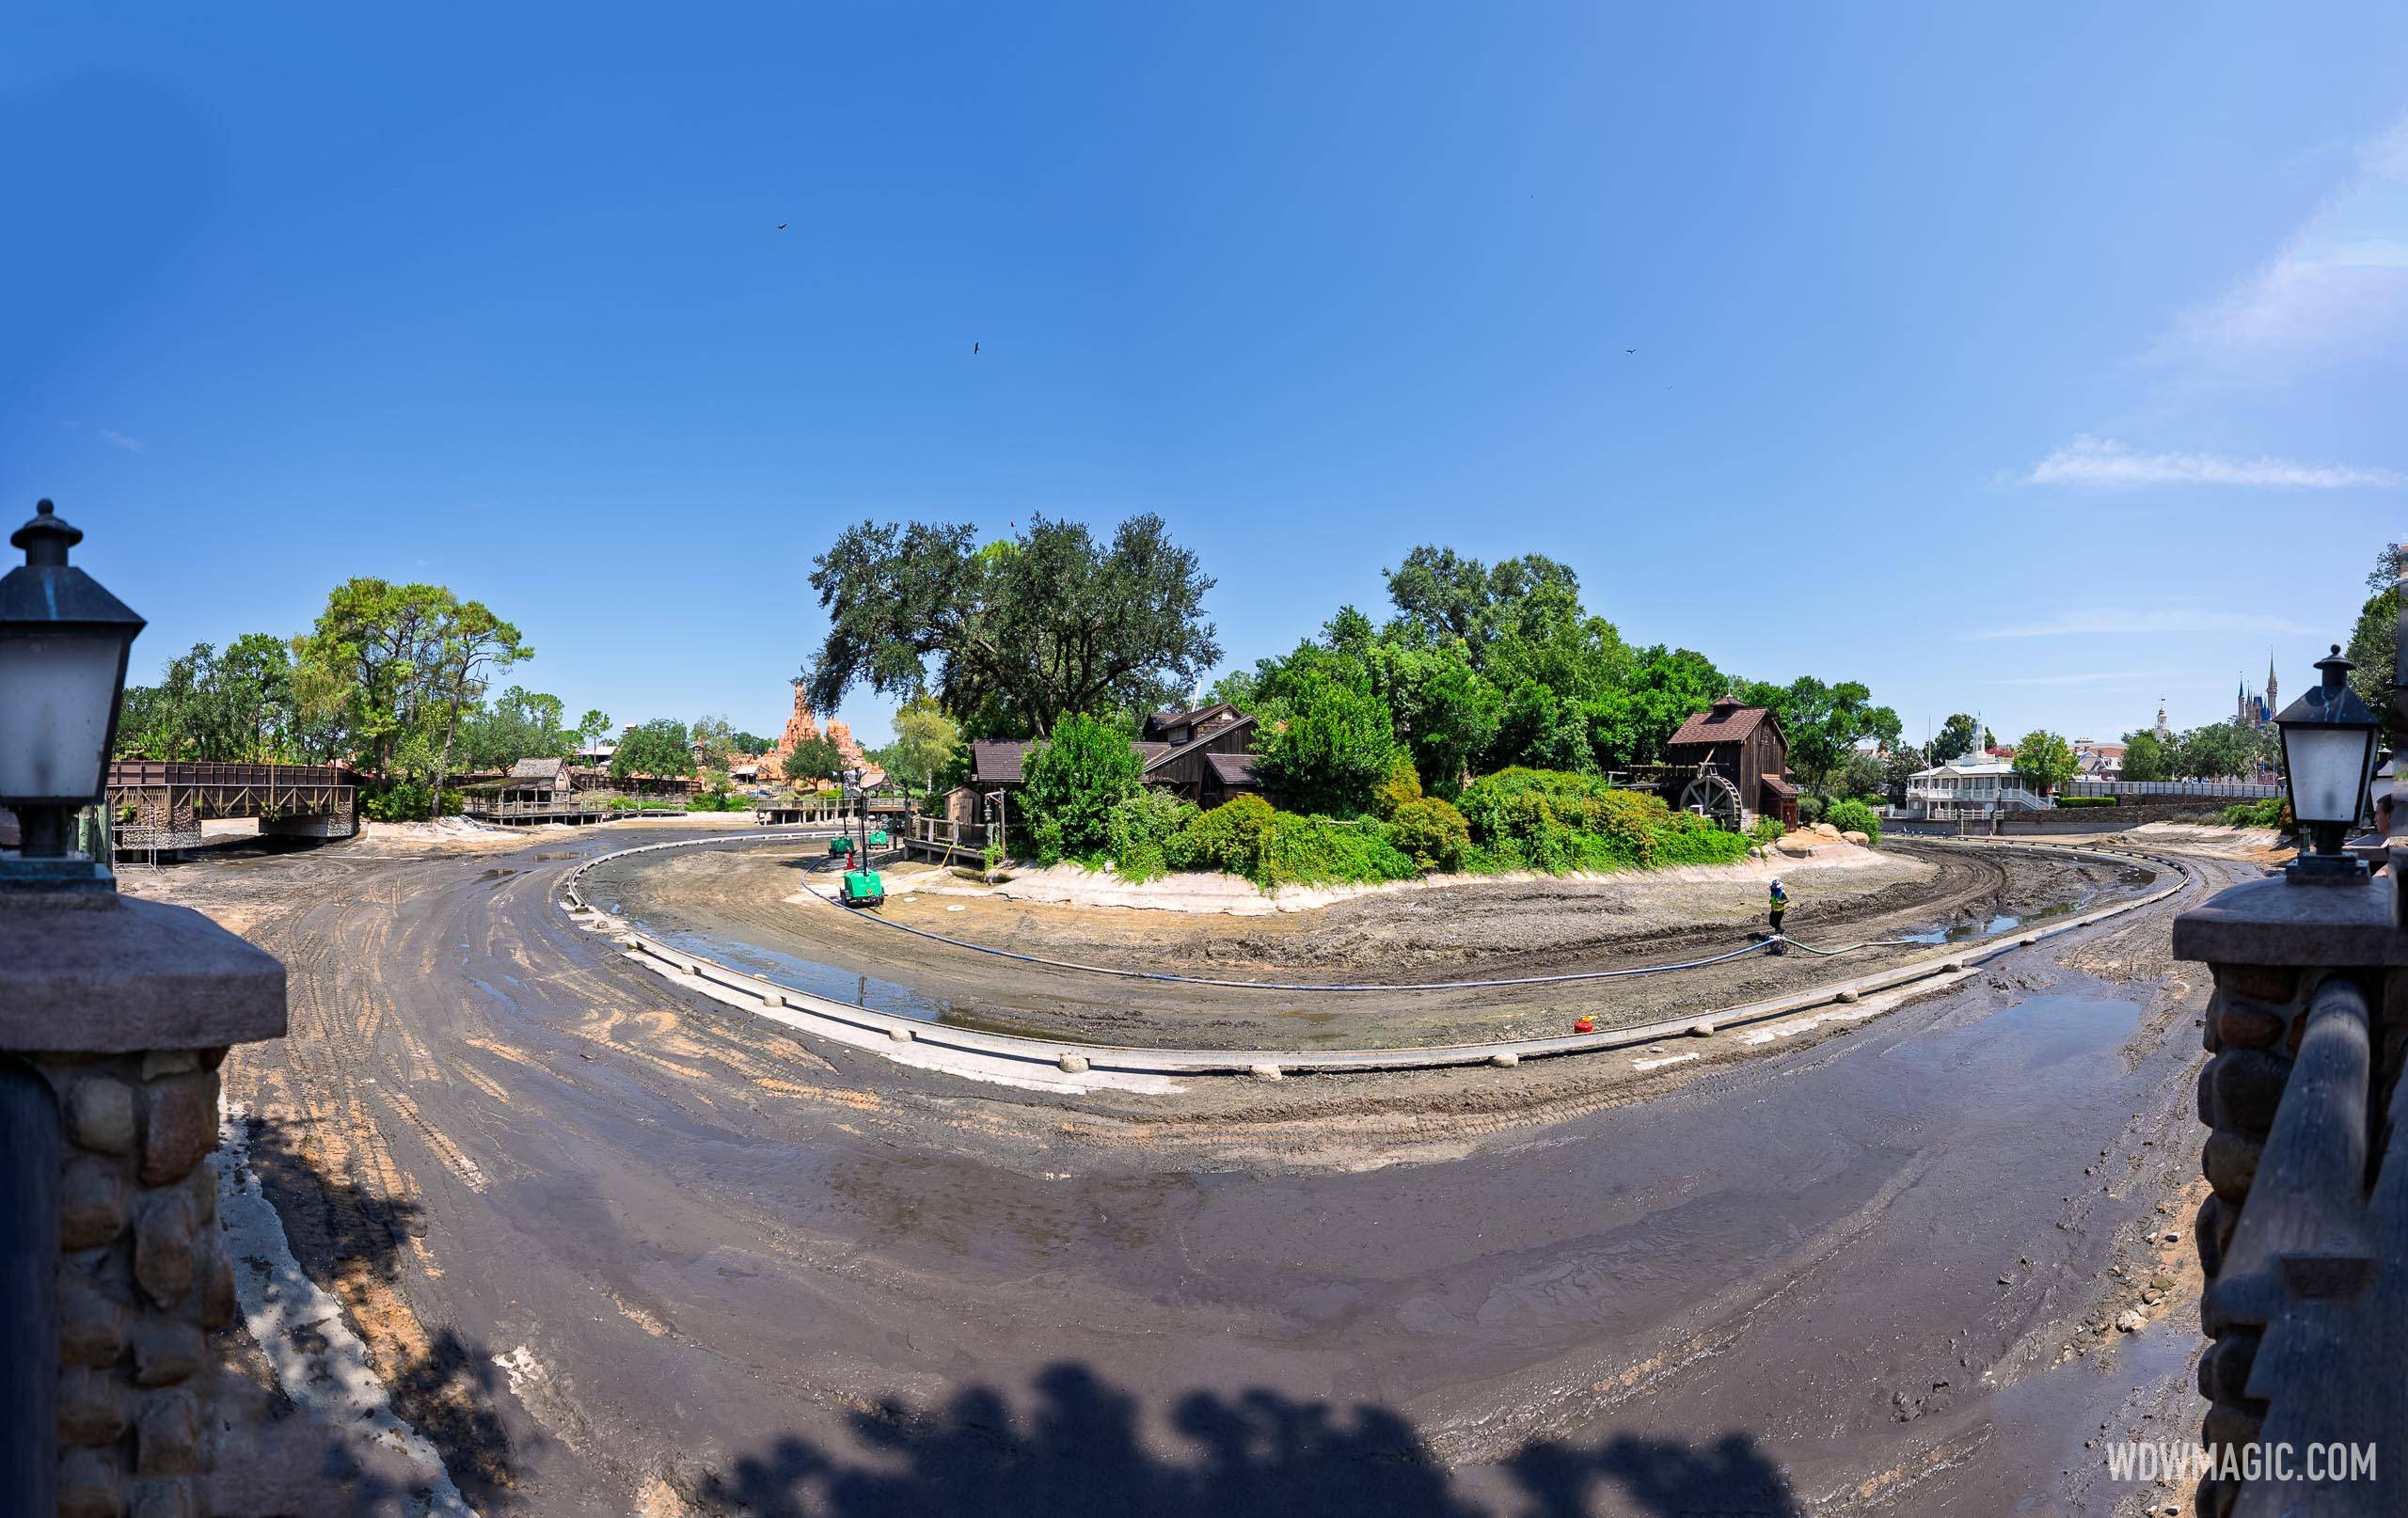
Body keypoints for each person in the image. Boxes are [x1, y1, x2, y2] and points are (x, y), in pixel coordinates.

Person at [1768, 877, 1788, 954]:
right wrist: (1772, 901)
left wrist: (1780, 903)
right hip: (1774, 909)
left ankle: (1778, 934)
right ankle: (1779, 931)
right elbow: (1773, 898)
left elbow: (1788, 900)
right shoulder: (1773, 891)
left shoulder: (1782, 892)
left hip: (1780, 910)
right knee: (1771, 922)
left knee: (1776, 923)